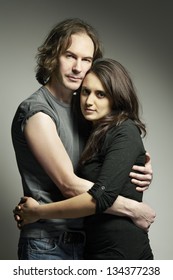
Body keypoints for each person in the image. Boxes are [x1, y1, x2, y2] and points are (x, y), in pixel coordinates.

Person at [12, 18, 154, 260]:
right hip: (48, 244)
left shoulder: (84, 110)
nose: (78, 67)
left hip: (85, 243)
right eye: (70, 56)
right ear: (52, 56)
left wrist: (138, 165)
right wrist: (132, 208)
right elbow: (69, 185)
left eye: (86, 59)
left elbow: (101, 164)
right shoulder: (38, 112)